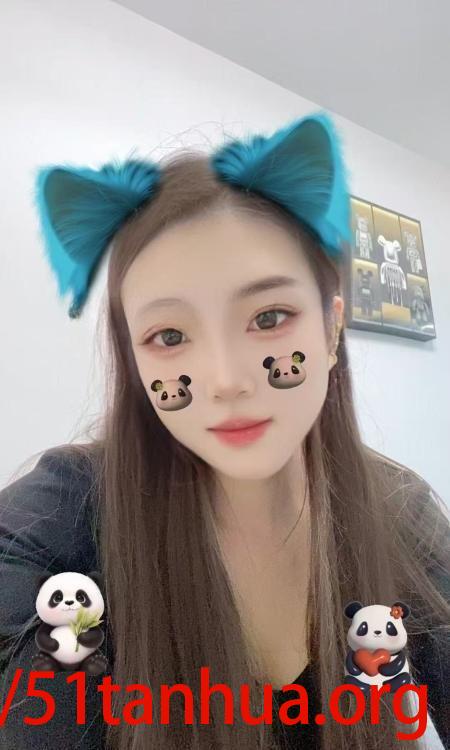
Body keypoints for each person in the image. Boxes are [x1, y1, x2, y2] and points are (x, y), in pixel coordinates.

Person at [0, 112, 449, 750]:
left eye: (269, 317)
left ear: (330, 329)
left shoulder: (401, 517)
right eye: (169, 335)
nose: (225, 380)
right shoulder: (61, 522)